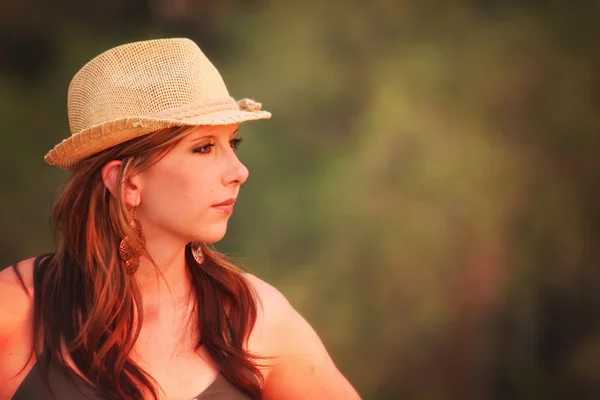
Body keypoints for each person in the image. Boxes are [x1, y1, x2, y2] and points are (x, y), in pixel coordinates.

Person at [0, 38, 360, 400]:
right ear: (126, 182)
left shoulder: (257, 322)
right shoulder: (17, 309)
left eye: (232, 143)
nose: (239, 171)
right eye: (203, 147)